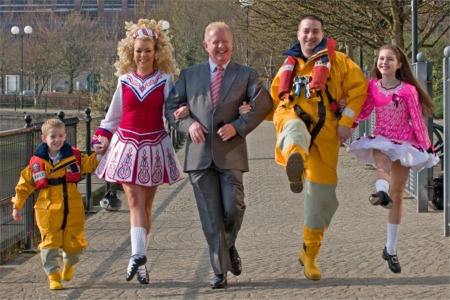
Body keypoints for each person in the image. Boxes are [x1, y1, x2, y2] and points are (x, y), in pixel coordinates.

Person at [165, 21, 272, 289]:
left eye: (225, 42)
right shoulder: (190, 75)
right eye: (216, 42)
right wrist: (187, 123)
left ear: (232, 45)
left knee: (233, 209)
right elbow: (171, 107)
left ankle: (228, 247)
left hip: (231, 153)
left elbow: (264, 103)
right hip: (199, 157)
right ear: (206, 46)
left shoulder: (246, 74)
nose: (221, 46)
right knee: (211, 216)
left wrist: (237, 127)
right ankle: (220, 270)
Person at [267, 14, 368, 281]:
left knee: (322, 200)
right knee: (294, 129)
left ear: (322, 34)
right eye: (306, 31)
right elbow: (270, 102)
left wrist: (347, 121)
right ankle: (296, 163)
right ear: (297, 34)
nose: (310, 36)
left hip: (325, 135)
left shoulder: (340, 62)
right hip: (291, 116)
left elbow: (360, 89)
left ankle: (309, 254)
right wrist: (245, 113)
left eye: (315, 31)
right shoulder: (287, 65)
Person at [92, 18, 188, 285]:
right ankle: (137, 255)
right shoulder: (124, 81)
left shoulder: (166, 80)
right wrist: (100, 138)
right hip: (126, 147)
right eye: (138, 50)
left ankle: (141, 262)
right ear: (130, 53)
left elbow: (172, 113)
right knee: (135, 203)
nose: (143, 55)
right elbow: (112, 119)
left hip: (154, 147)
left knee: (146, 207)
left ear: (157, 52)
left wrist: (185, 114)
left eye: (147, 50)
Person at [347, 44, 439, 273]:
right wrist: (345, 116)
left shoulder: (408, 90)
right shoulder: (372, 86)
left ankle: (390, 248)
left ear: (399, 64)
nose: (384, 62)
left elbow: (417, 120)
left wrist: (427, 147)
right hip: (381, 138)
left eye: (389, 59)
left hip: (404, 143)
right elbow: (364, 111)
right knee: (382, 164)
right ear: (377, 62)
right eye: (381, 58)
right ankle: (380, 192)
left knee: (397, 194)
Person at [11, 118, 100, 290]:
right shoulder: (37, 162)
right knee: (50, 244)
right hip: (47, 209)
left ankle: (69, 264)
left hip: (72, 207)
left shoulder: (74, 156)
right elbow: (23, 185)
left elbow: (90, 163)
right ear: (44, 139)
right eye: (53, 136)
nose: (57, 140)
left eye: (60, 136)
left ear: (65, 136)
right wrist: (17, 206)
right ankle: (54, 276)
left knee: (74, 245)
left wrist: (102, 153)